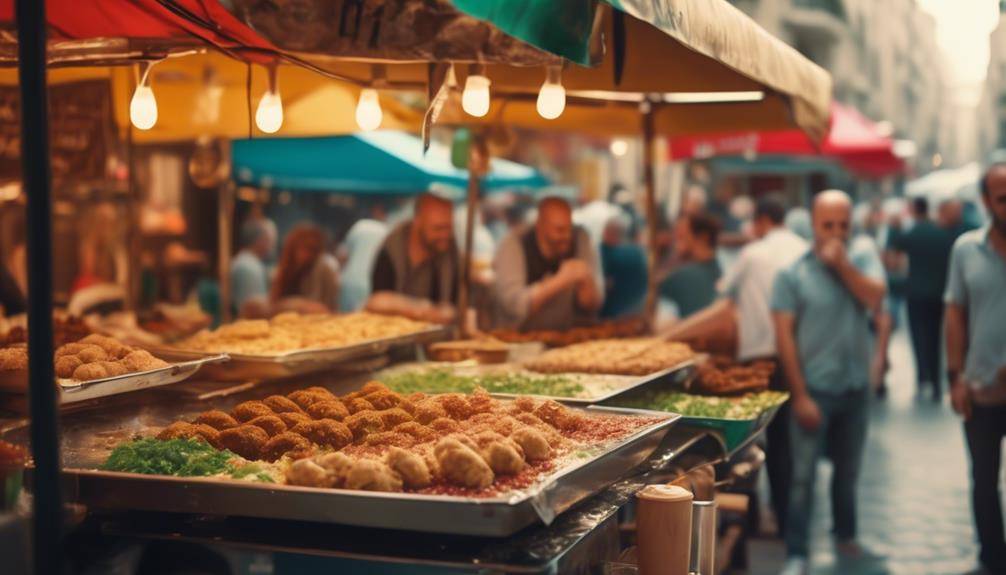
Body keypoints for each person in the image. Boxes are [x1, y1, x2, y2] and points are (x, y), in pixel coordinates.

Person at [663, 195, 806, 535]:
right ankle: (786, 519)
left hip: (759, 356)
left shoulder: (753, 253)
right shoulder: (803, 249)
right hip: (796, 356)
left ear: (759, 222)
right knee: (787, 440)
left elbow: (724, 298)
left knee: (749, 439)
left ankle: (752, 517)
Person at [771, 190, 887, 574]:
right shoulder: (792, 273)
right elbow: (784, 338)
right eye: (828, 226)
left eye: (843, 225)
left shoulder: (864, 258)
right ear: (813, 224)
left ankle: (846, 536)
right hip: (815, 390)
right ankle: (797, 551)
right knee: (803, 478)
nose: (836, 233)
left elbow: (875, 298)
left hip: (854, 389)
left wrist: (842, 267)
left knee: (848, 472)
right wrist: (800, 396)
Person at [945, 163, 1006, 573]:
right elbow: (955, 314)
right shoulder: (966, 248)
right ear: (986, 202)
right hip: (982, 387)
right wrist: (956, 378)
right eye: (1003, 198)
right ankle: (993, 557)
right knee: (983, 480)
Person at [493, 196, 603, 332]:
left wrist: (587, 282)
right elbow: (514, 305)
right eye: (559, 230)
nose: (567, 236)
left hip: (568, 337)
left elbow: (594, 303)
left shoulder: (580, 237)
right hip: (522, 340)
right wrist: (561, 280)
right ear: (540, 225)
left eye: (569, 228)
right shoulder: (515, 243)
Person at [887, 197, 956, 400]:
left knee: (918, 337)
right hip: (938, 293)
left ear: (914, 210)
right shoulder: (942, 234)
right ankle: (936, 382)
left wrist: (893, 227)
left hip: (916, 294)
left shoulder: (912, 233)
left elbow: (893, 252)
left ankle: (922, 378)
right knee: (935, 338)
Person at [367, 193, 460, 324]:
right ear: (417, 222)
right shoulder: (391, 250)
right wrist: (424, 310)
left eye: (449, 228)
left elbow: (455, 306)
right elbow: (377, 301)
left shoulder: (451, 251)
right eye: (438, 228)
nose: (445, 235)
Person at [659, 212, 722, 319]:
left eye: (681, 237)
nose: (676, 244)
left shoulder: (685, 276)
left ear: (703, 237)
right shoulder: (718, 270)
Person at [270, 224, 340, 313]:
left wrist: (296, 304)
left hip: (318, 317)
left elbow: (325, 307)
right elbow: (274, 300)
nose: (306, 254)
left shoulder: (324, 266)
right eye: (302, 248)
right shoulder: (287, 266)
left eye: (311, 249)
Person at [338, 207, 389, 312]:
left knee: (344, 321)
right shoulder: (386, 231)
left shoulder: (359, 226)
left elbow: (342, 256)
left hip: (349, 281)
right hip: (369, 283)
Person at [599, 212, 648, 319]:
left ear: (605, 232)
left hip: (608, 318)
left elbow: (605, 284)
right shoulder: (638, 253)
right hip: (637, 316)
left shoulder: (603, 253)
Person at [231, 217, 277, 318]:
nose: (272, 244)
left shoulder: (247, 261)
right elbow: (253, 309)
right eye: (269, 239)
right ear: (260, 240)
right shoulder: (248, 266)